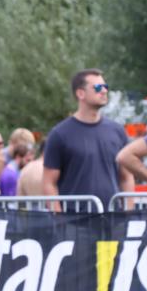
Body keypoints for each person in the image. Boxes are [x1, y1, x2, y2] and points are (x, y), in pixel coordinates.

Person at [42, 69, 132, 208]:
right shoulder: (59, 134)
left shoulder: (117, 131)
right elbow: (49, 183)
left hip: (112, 217)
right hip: (75, 218)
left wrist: (128, 213)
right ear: (80, 93)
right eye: (98, 87)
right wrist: (59, 218)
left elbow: (126, 177)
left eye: (105, 86)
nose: (104, 91)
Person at [0, 128, 35, 197]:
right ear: (12, 143)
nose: (26, 151)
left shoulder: (20, 159)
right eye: (24, 147)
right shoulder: (1, 159)